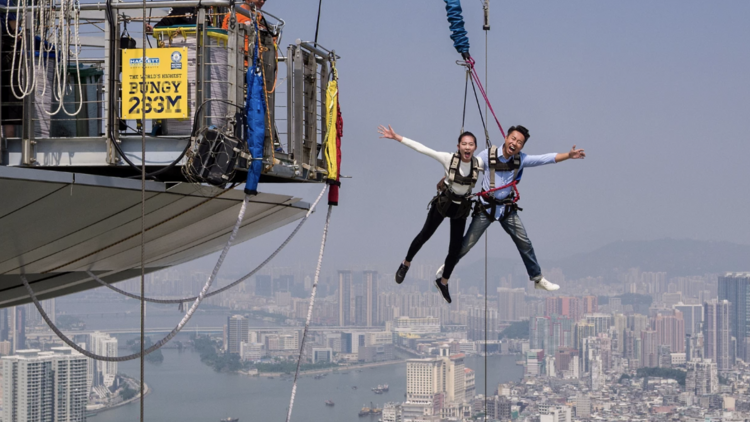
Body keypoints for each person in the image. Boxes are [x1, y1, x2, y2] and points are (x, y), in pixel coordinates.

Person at [436, 125, 585, 291]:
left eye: (520, 142)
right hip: (486, 208)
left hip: (507, 209)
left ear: (522, 146)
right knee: (467, 243)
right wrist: (448, 179)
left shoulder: (521, 160)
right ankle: (448, 266)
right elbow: (466, 166)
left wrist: (569, 155)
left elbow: (546, 158)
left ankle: (537, 278)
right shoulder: (487, 155)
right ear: (506, 138)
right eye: (513, 139)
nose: (515, 143)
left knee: (524, 242)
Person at [377, 124, 485, 304]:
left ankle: (443, 282)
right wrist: (398, 138)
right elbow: (422, 149)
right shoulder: (448, 159)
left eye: (471, 144)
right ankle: (406, 264)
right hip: (444, 203)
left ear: (475, 147)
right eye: (464, 144)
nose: (467, 147)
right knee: (425, 234)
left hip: (461, 207)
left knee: (455, 249)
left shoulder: (478, 164)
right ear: (458, 146)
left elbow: (497, 161)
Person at [222, 0, 280, 152]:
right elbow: (225, 42)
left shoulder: (260, 19)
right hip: (241, 68)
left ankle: (268, 142)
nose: (261, 1)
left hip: (258, 70)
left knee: (260, 107)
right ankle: (243, 141)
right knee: (243, 107)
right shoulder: (234, 15)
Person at [0, 0, 21, 138]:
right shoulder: (7, 3)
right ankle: (9, 143)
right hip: (6, 56)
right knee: (8, 110)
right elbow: (14, 29)